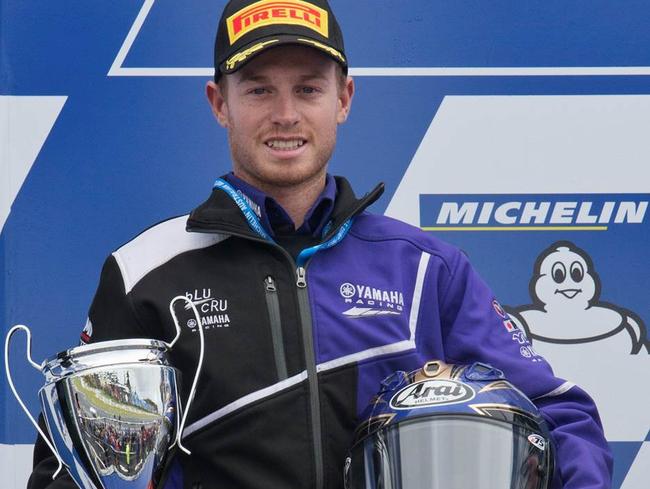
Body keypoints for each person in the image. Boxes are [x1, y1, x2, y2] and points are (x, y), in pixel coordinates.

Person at [28, 1, 612, 488]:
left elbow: (559, 412)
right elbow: (72, 464)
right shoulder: (145, 273)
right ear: (218, 103)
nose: (285, 115)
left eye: (308, 89)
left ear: (344, 99)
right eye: (258, 90)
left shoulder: (425, 271)